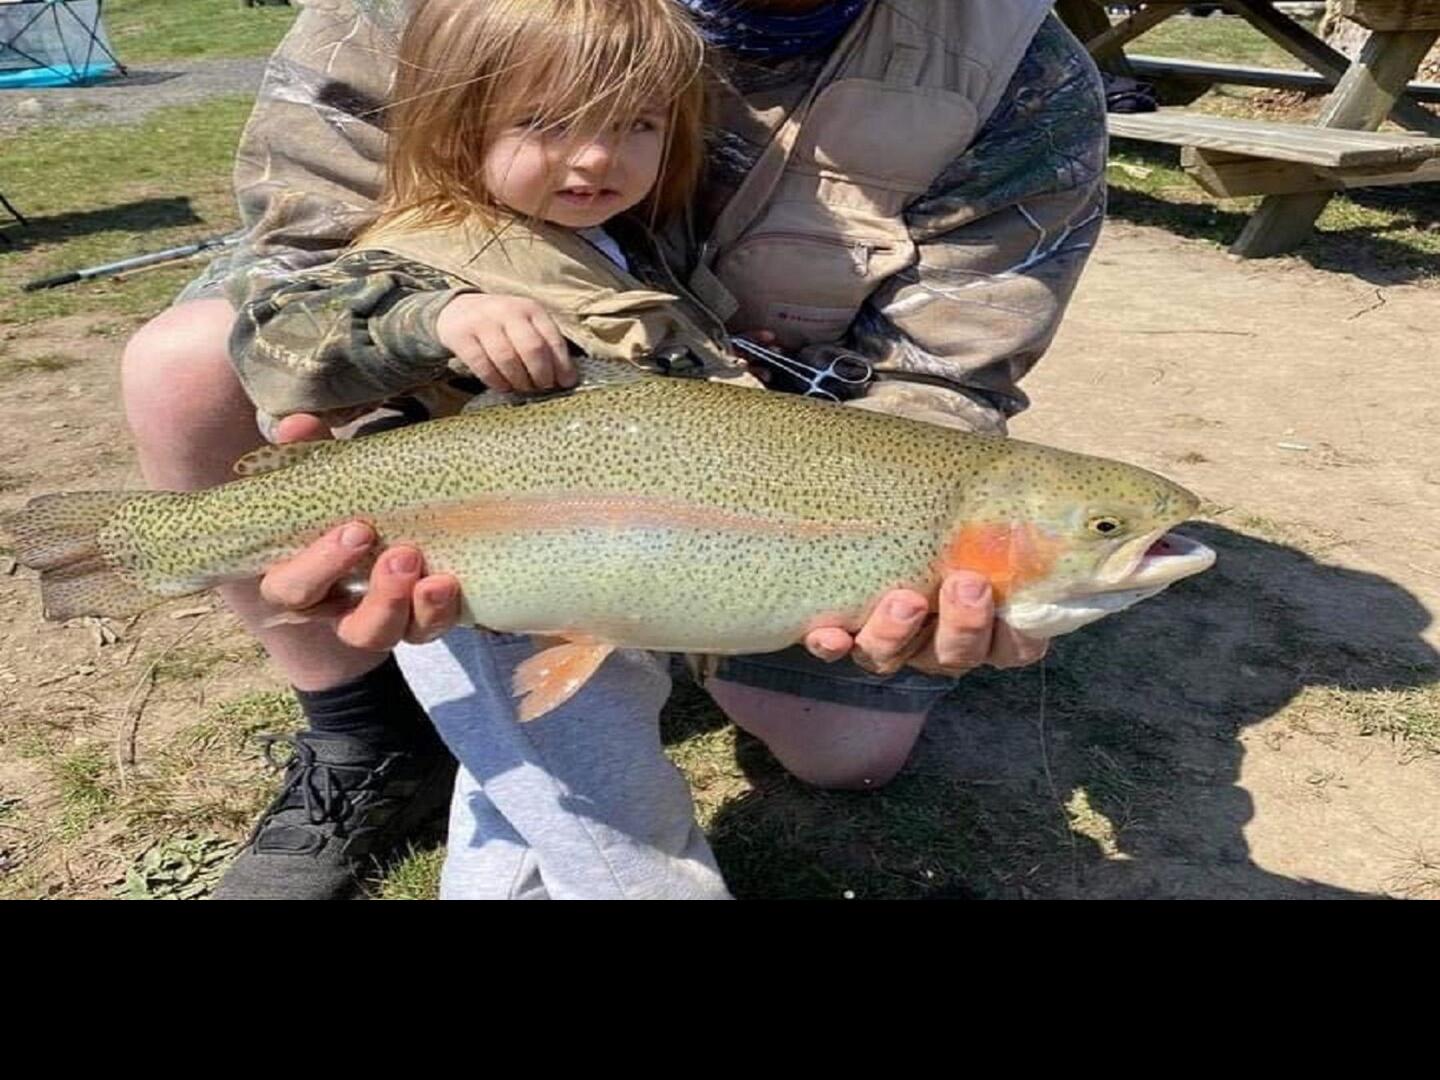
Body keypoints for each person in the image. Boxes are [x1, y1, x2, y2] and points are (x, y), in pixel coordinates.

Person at [121, 0, 1107, 899]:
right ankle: (365, 740)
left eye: (636, 128)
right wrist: (412, 378)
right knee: (182, 365)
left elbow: (942, 382)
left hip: (689, 505)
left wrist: (927, 561)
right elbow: (292, 282)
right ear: (455, 126)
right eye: (547, 125)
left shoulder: (1017, 66)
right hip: (487, 513)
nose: (597, 160)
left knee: (841, 751)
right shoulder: (413, 65)